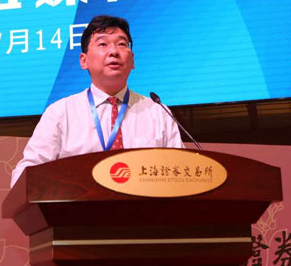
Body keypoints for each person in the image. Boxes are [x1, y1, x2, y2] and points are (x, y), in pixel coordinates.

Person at [10, 15, 183, 186]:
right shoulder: (61, 113)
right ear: (83, 61)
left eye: (122, 44)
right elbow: (24, 174)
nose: (114, 51)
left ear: (132, 60)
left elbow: (181, 172)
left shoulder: (158, 112)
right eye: (103, 44)